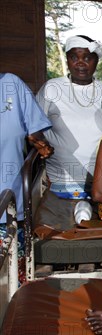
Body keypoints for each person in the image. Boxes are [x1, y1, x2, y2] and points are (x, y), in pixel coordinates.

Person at [36, 35, 102, 199]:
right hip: (60, 182)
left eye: (87, 58)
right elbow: (32, 126)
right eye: (74, 57)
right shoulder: (52, 88)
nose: (80, 63)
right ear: (67, 60)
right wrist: (40, 145)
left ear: (96, 61)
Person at [0, 72, 53, 282]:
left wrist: (40, 144)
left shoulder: (11, 83)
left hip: (11, 209)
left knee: (12, 284)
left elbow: (35, 131)